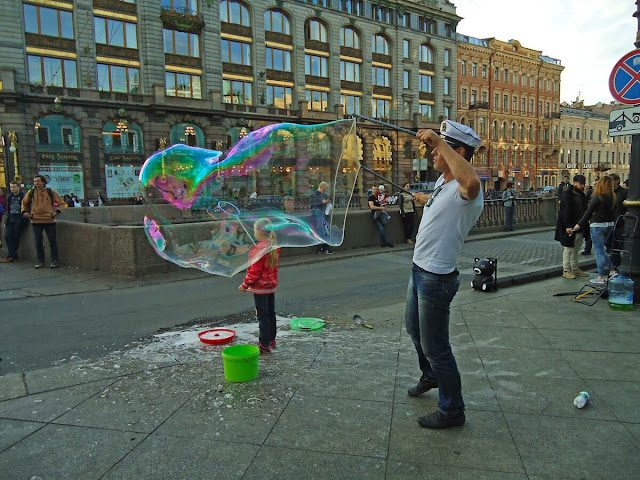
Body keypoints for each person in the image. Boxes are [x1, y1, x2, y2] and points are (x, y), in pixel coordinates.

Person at [405, 120, 483, 429]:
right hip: (419, 269)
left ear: (456, 151)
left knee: (436, 346)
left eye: (436, 150)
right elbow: (443, 201)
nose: (431, 154)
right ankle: (430, 375)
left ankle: (453, 410)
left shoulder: (470, 189)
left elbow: (471, 184)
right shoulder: (444, 183)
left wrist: (439, 140)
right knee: (413, 329)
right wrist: (425, 200)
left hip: (436, 278)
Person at [238, 218, 281, 353]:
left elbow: (254, 272)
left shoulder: (258, 249)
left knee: (263, 317)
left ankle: (264, 344)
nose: (254, 233)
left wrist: (244, 285)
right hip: (270, 287)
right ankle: (272, 339)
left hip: (261, 289)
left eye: (255, 231)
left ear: (260, 233)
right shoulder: (273, 246)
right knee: (270, 314)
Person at [573, 175, 616, 285]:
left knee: (599, 251)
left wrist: (579, 224)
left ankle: (601, 276)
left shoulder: (598, 196)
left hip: (597, 225)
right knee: (602, 249)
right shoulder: (613, 197)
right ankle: (612, 270)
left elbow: (588, 212)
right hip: (609, 225)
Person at [21, 175, 65, 269]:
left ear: (43, 182)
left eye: (38, 181)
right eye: (35, 181)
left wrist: (56, 212)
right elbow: (24, 202)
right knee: (38, 241)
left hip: (49, 220)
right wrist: (25, 212)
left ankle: (54, 260)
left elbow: (62, 203)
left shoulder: (50, 191)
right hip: (35, 220)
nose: (36, 183)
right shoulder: (31, 192)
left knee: (52, 241)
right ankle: (41, 261)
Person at [555, 175, 588, 279]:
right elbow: (564, 212)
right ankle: (566, 269)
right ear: (574, 183)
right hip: (569, 225)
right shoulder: (566, 194)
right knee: (568, 248)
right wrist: (568, 226)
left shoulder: (581, 194)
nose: (582, 186)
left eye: (583, 184)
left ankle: (575, 268)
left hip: (579, 225)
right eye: (580, 184)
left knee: (576, 248)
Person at [1, 181, 26, 263]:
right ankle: (12, 255)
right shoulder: (9, 197)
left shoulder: (23, 196)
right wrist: (7, 220)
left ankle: (11, 256)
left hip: (20, 219)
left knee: (15, 237)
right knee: (7, 236)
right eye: (11, 187)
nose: (12, 189)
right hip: (11, 218)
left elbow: (27, 206)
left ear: (18, 187)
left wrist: (23, 217)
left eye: (14, 187)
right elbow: (8, 210)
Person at [608, 173, 628, 270]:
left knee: (621, 244)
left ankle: (621, 265)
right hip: (609, 222)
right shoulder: (607, 192)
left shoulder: (624, 192)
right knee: (611, 245)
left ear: (617, 181)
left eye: (611, 180)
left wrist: (625, 216)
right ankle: (615, 266)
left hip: (620, 222)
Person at [310, 181, 333, 254]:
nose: (324, 191)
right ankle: (321, 248)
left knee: (325, 230)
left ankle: (326, 247)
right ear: (321, 187)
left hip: (324, 213)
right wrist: (322, 203)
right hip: (317, 213)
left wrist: (327, 203)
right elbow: (312, 204)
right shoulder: (314, 194)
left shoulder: (324, 195)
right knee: (320, 230)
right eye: (324, 189)